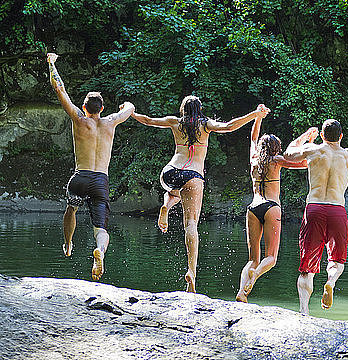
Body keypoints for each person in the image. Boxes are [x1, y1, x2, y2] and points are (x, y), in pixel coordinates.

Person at [131, 96, 270, 293]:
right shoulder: (205, 125)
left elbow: (148, 120)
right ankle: (191, 272)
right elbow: (229, 126)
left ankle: (166, 206)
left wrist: (131, 112)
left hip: (170, 171)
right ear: (200, 109)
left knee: (172, 191)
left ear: (183, 109)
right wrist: (255, 114)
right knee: (191, 224)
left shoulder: (175, 122)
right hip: (193, 176)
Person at [47, 53, 135, 281]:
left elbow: (60, 90)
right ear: (102, 108)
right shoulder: (111, 121)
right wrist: (126, 105)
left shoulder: (79, 118)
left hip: (80, 178)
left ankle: (68, 244)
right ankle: (100, 253)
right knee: (101, 229)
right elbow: (130, 109)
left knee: (71, 208)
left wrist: (52, 63)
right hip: (100, 181)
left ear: (85, 107)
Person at [285, 118, 348, 314]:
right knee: (337, 261)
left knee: (307, 267)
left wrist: (305, 136)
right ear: (341, 136)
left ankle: (304, 311)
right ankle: (330, 281)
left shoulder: (313, 150)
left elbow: (289, 154)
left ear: (322, 136)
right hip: (336, 210)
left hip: (314, 208)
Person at [235, 114, 317, 303]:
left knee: (252, 259)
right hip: (272, 207)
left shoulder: (254, 160)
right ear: (276, 148)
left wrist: (258, 117)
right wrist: (308, 139)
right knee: (270, 258)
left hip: (253, 207)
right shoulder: (277, 160)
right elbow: (304, 163)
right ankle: (255, 275)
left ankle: (242, 292)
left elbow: (254, 137)